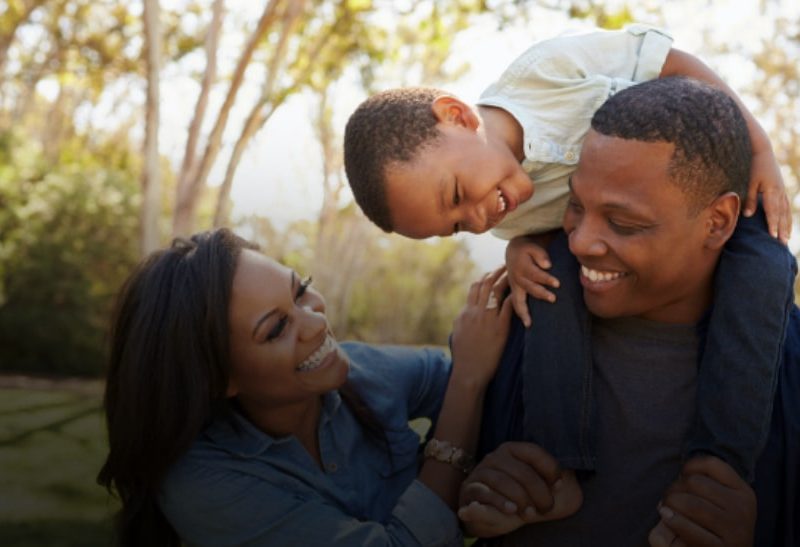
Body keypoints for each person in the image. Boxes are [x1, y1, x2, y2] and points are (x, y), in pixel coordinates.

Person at [343, 24, 795, 487]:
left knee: (769, 267)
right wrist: (522, 248)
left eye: (458, 194)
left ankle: (723, 462)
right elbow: (547, 231)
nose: (478, 221)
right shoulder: (506, 214)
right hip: (605, 246)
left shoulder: (545, 73)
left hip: (703, 189)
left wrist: (757, 148)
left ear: (457, 115)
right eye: (457, 226)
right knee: (547, 286)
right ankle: (553, 463)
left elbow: (671, 61)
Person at [455, 76, 799, 546]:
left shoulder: (786, 372)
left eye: (623, 223)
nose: (579, 242)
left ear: (717, 222)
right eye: (575, 205)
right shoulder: (515, 327)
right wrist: (481, 494)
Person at [96, 227, 578, 546]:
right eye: (275, 329)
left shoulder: (360, 373)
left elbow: (496, 391)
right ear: (220, 379)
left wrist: (529, 247)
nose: (313, 322)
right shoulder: (204, 485)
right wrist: (469, 385)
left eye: (299, 289)